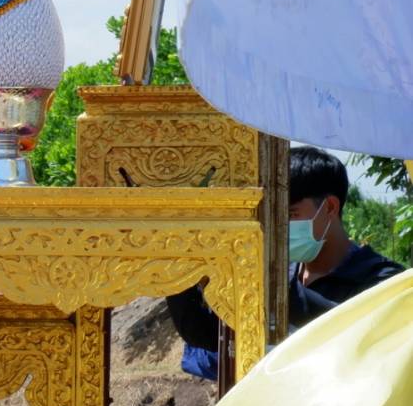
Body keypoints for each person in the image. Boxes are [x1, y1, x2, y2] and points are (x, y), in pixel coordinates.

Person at [168, 146, 404, 380]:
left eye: (290, 214)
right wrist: (179, 271)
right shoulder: (284, 273)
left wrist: (269, 283)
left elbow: (348, 334)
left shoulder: (386, 283)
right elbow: (208, 335)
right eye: (271, 216)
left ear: (330, 207)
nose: (277, 227)